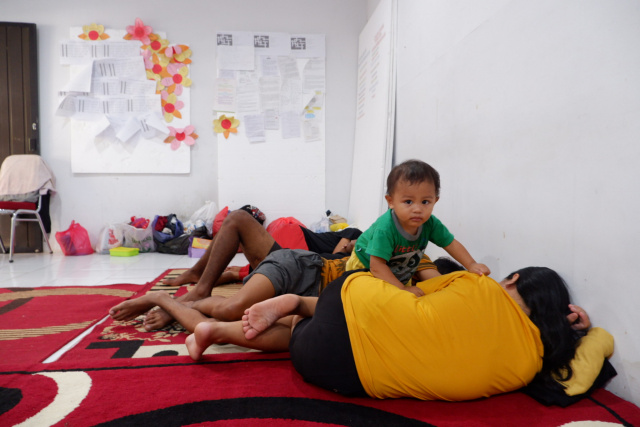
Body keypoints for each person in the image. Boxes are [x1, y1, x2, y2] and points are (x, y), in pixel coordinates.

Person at [185, 267, 592, 401]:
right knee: (314, 329)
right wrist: (583, 331)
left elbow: (409, 293)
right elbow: (598, 350)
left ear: (513, 279)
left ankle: (292, 302)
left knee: (368, 300)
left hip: (341, 304)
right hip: (330, 370)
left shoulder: (479, 285)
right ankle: (222, 328)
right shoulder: (530, 365)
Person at [108, 210, 411, 330]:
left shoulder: (415, 263)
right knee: (232, 307)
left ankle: (175, 298)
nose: (417, 211)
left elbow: (438, 271)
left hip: (299, 274)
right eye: (409, 203)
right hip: (303, 267)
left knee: (235, 315)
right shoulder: (376, 241)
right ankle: (194, 288)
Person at [346, 159, 490, 296]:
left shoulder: (430, 223)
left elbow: (450, 244)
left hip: (400, 267)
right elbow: (377, 266)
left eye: (425, 202)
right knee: (371, 295)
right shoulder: (385, 228)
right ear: (391, 201)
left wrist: (471, 264)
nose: (417, 209)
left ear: (435, 201)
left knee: (407, 296)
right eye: (408, 201)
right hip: (367, 264)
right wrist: (402, 288)